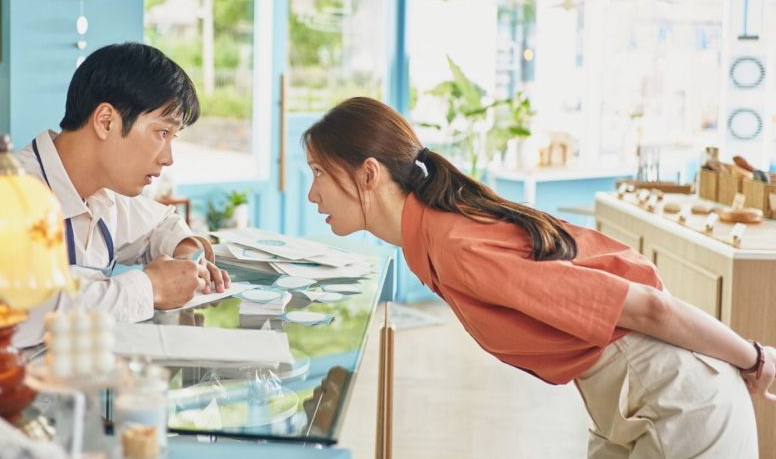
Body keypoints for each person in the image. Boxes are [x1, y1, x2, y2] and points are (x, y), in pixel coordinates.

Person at [302, 96, 775, 458]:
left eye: (319, 172)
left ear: (369, 174)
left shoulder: (457, 247)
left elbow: (649, 307)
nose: (312, 193)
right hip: (629, 404)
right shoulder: (433, 239)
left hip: (680, 404)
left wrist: (754, 358)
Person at [14, 42, 230, 347]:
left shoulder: (104, 194)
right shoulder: (3, 192)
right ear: (106, 121)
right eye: (162, 133)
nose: (168, 158)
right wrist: (150, 288)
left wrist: (186, 257)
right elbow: (21, 311)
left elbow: (161, 224)